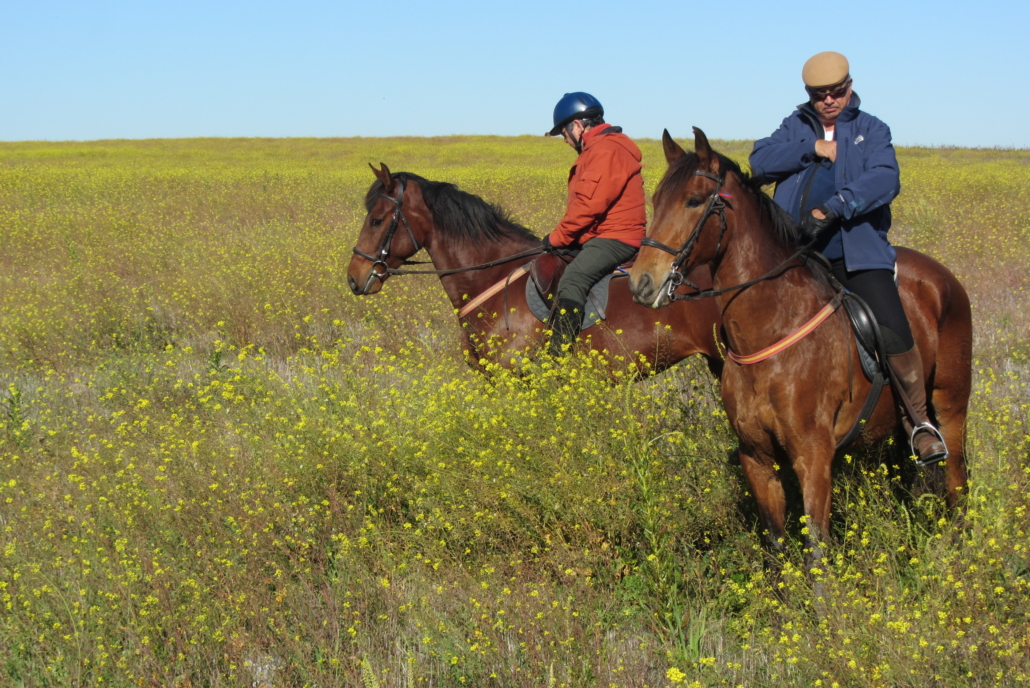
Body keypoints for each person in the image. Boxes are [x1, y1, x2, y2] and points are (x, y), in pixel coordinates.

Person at [749, 52, 948, 465]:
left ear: (850, 86)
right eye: (819, 94)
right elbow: (759, 162)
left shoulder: (871, 129)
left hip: (854, 253)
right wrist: (814, 148)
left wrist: (835, 207)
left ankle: (919, 422)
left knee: (890, 325)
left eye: (835, 92)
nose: (828, 100)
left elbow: (885, 178)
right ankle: (756, 424)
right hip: (796, 254)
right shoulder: (794, 127)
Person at [541, 92, 647, 357]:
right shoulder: (599, 148)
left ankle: (559, 357)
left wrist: (557, 238)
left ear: (577, 125)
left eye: (564, 133)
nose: (565, 140)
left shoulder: (605, 150)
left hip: (616, 238)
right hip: (602, 234)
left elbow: (588, 207)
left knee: (573, 279)